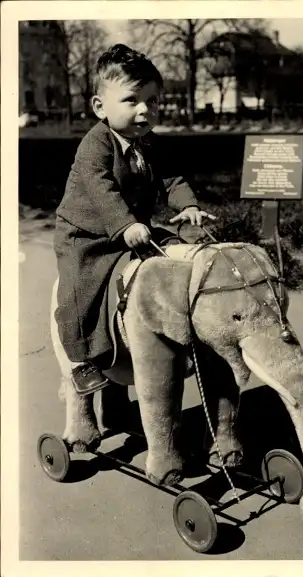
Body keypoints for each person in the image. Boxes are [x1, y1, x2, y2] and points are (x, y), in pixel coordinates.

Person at [54, 44, 209, 396]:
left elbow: (172, 177)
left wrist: (187, 205)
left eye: (152, 101)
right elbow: (101, 188)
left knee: (175, 252)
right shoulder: (96, 145)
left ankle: (183, 329)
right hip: (87, 234)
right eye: (131, 100)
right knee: (80, 287)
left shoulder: (151, 144)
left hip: (134, 227)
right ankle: (81, 359)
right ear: (100, 107)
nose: (145, 110)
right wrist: (124, 225)